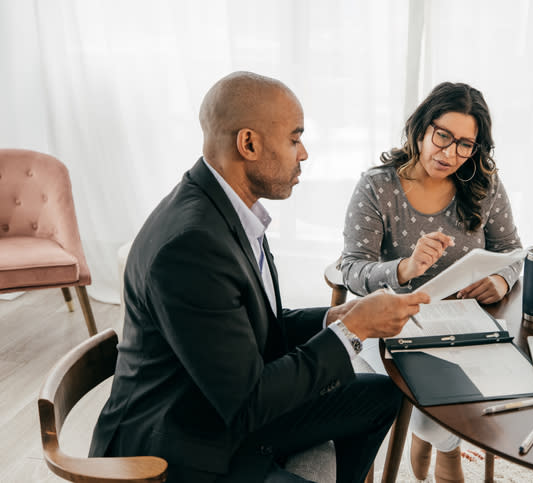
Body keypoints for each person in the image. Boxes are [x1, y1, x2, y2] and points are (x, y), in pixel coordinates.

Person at [89, 71, 430, 483]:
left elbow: (256, 325)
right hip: (181, 443)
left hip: (219, 405)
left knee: (380, 396)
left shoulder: (230, 210)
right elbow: (249, 401)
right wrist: (353, 330)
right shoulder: (191, 245)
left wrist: (336, 318)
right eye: (294, 138)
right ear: (248, 143)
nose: (303, 153)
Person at [340, 82, 523, 482]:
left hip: (463, 322)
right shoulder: (377, 187)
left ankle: (435, 436)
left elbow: (512, 251)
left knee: (506, 377)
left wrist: (500, 281)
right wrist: (403, 269)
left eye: (465, 144)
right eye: (442, 136)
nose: (450, 153)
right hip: (393, 322)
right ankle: (446, 444)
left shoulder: (483, 183)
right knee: (435, 388)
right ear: (421, 128)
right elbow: (352, 269)